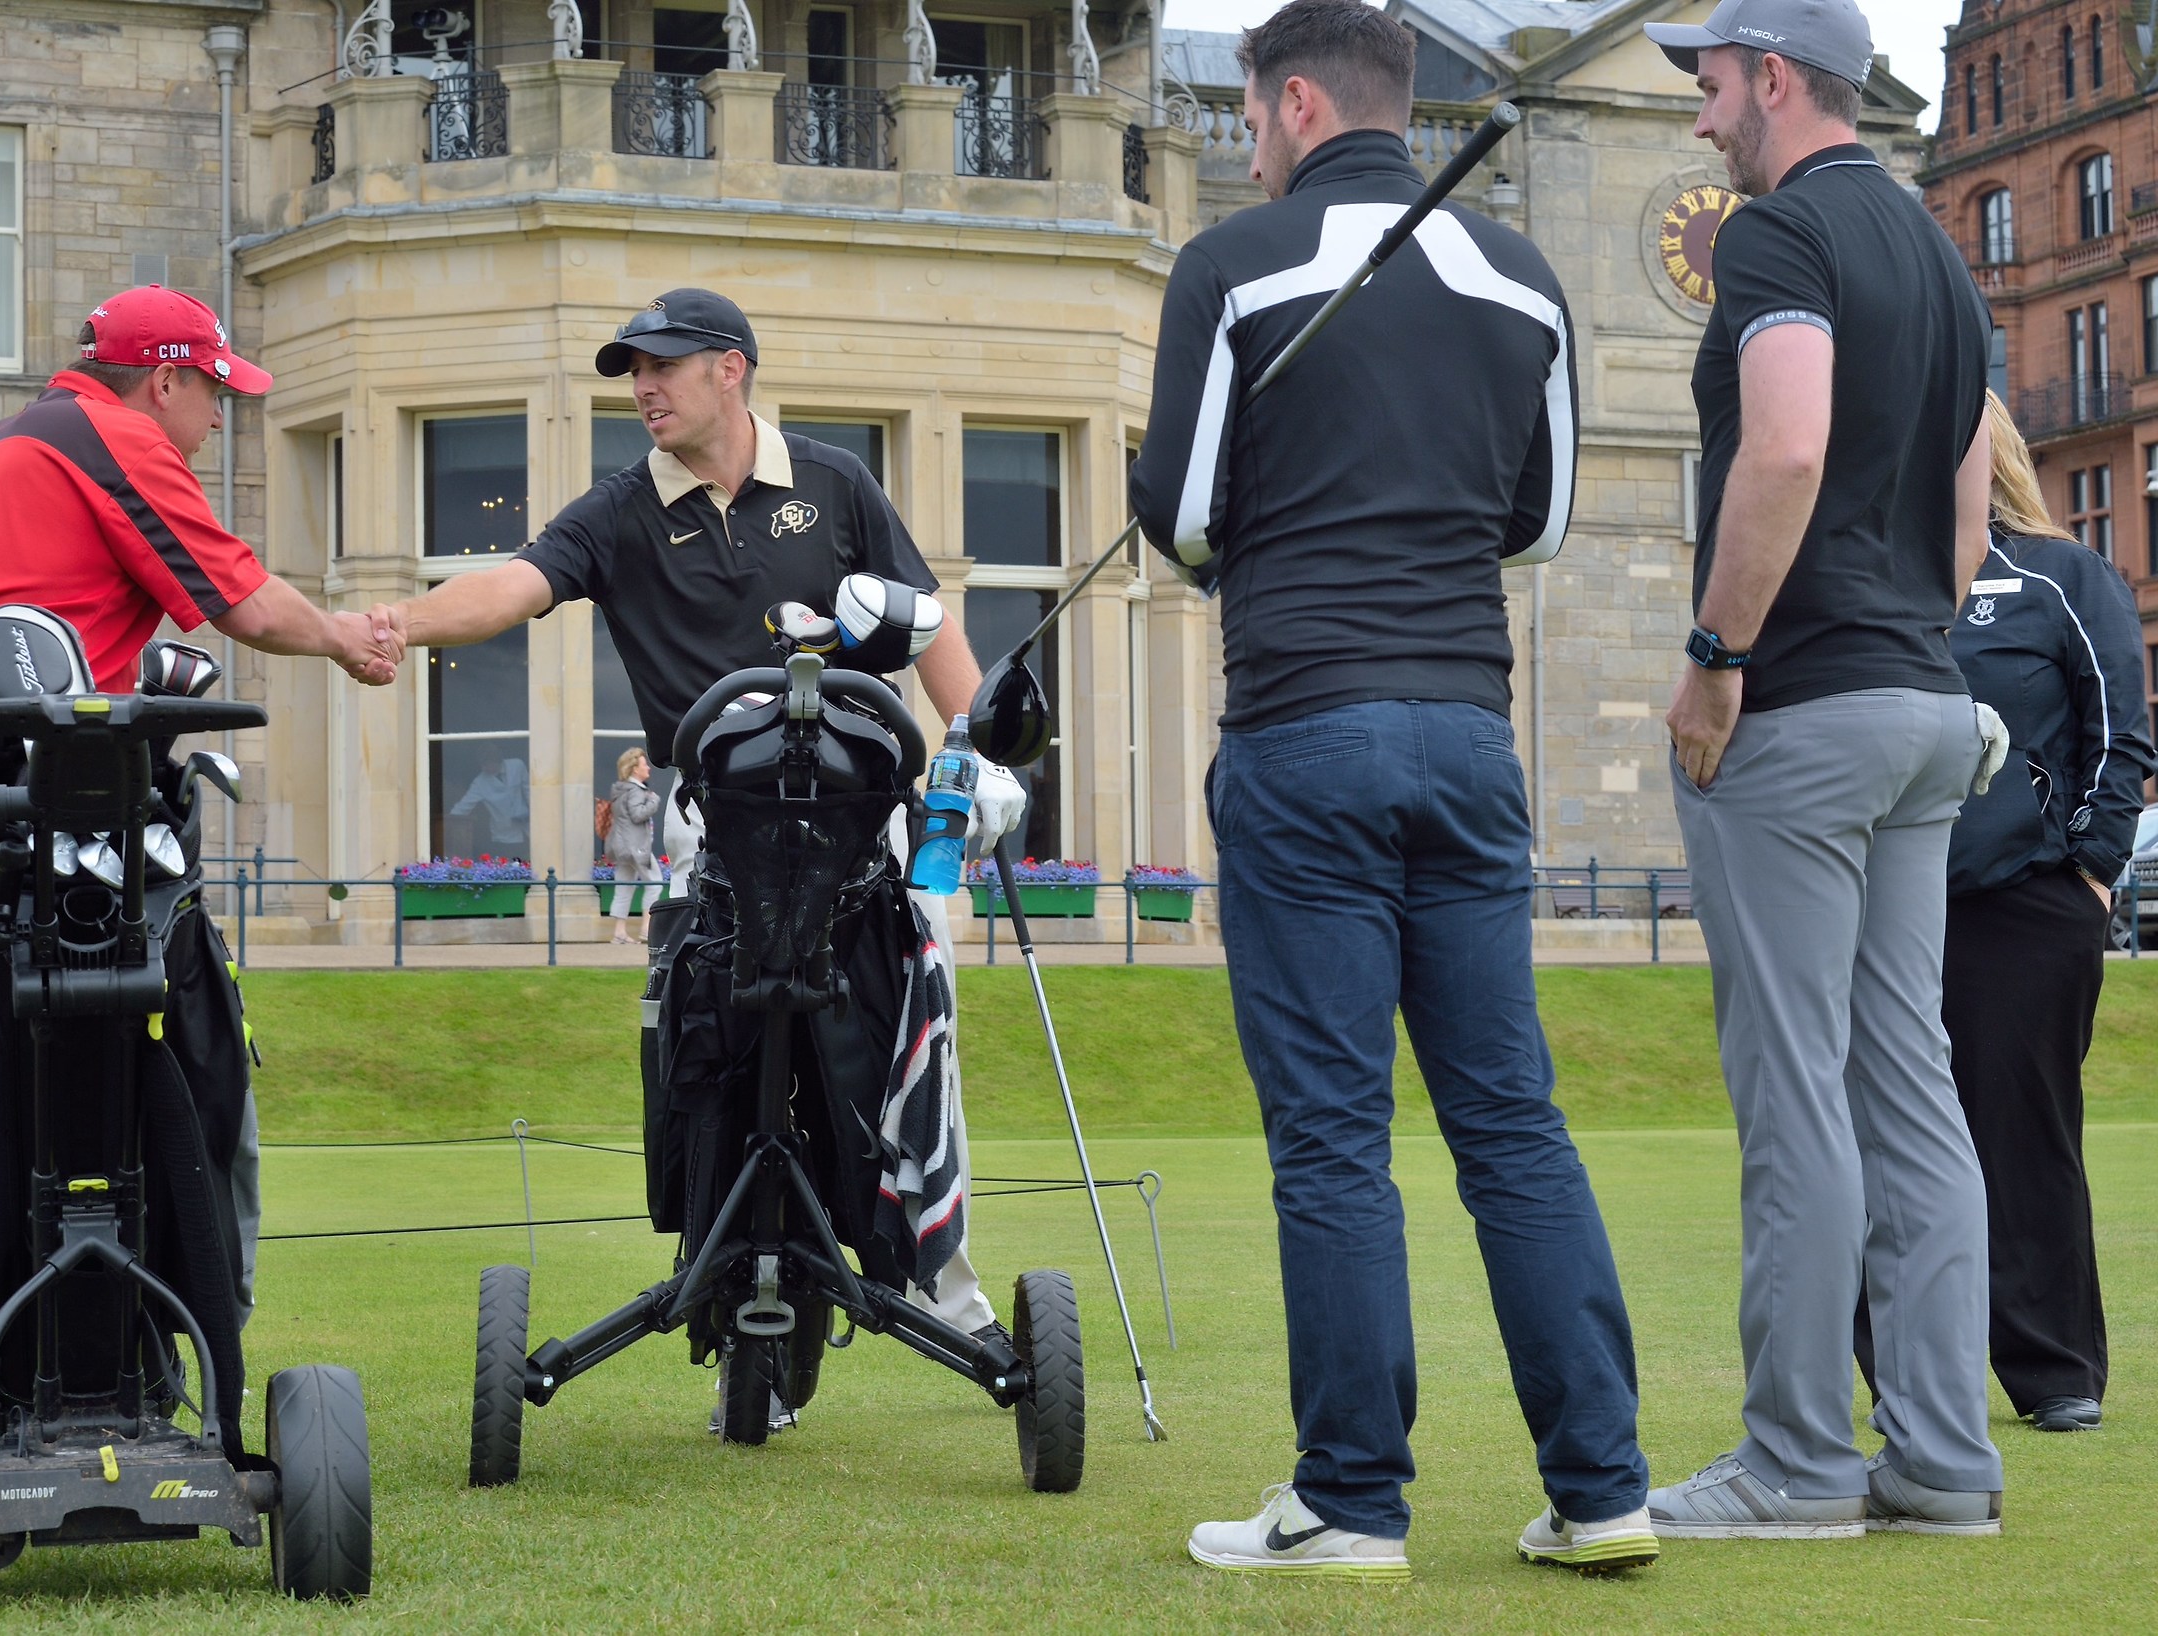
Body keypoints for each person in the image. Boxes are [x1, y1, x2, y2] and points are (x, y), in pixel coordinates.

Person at [1129, 0, 1652, 1581]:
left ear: (1295, 103)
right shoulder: (1527, 276)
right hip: (1466, 740)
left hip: (1305, 732)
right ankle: (1603, 1485)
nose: (1242, 141)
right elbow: (1541, 520)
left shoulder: (1232, 266)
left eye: (1244, 116)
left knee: (1337, 1138)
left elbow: (1181, 511)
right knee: (1511, 1121)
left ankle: (1352, 1503)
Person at [0, 285, 399, 1484]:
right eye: (216, 393)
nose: (220, 421)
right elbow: (241, 596)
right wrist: (349, 642)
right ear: (165, 380)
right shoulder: (117, 438)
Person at [365, 287, 1027, 1359]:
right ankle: (712, 1248)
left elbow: (925, 626)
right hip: (713, 837)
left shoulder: (835, 483)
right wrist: (397, 619)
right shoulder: (622, 509)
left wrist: (976, 754)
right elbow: (515, 585)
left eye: (663, 366)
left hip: (862, 835)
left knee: (912, 1042)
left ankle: (946, 1281)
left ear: (732, 369)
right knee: (703, 1048)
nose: (643, 387)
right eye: (632, 369)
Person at [1641, 0, 2006, 1537]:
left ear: (1775, 77)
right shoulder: (1939, 255)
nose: (1705, 111)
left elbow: (1784, 448)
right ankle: (1940, 1462)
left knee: (1795, 1098)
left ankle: (1795, 1464)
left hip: (1801, 718)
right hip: (1924, 705)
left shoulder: (1777, 241)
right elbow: (1971, 520)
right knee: (1911, 1096)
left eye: (1714, 81)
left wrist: (1717, 662)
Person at [1851, 391, 2155, 1433]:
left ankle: (2054, 1369)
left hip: (2025, 909)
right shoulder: (1871, 579)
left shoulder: (2062, 576)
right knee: (1869, 1139)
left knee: (2024, 1137)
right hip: (1878, 906)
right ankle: (1897, 1370)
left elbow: (2121, 734)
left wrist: (2091, 872)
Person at [606, 747, 662, 944]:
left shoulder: (619, 789)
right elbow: (638, 815)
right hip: (637, 848)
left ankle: (619, 932)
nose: (648, 767)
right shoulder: (636, 791)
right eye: (644, 764)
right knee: (655, 883)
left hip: (620, 848)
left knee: (623, 888)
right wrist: (653, 800)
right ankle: (647, 928)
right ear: (634, 769)